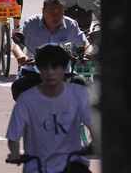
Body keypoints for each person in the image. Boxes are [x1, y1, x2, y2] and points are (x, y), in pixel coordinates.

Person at [6, 44, 93, 173]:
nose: (50, 72)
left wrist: (94, 145)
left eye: (55, 67)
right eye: (45, 68)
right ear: (39, 70)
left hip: (73, 166)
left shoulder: (79, 94)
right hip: (37, 167)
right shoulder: (26, 100)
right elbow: (13, 136)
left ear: (64, 69)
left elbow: (94, 126)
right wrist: (15, 153)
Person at [11, 0, 91, 100]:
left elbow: (86, 44)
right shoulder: (31, 23)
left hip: (63, 74)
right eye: (51, 12)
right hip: (34, 72)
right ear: (43, 11)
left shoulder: (71, 25)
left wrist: (89, 53)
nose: (55, 16)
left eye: (59, 12)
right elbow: (16, 45)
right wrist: (20, 56)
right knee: (19, 88)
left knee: (82, 86)